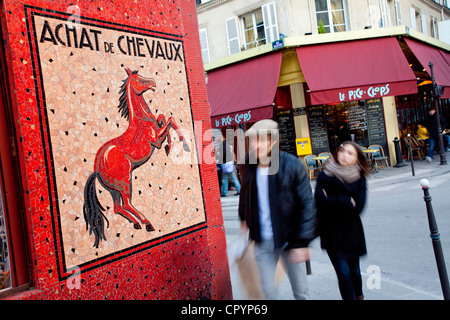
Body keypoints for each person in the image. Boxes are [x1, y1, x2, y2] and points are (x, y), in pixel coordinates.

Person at [238, 119, 316, 300]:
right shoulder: (249, 165)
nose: (256, 145)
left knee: (301, 292)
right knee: (267, 292)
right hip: (262, 241)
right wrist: (244, 217)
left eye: (262, 140)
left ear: (273, 141)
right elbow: (245, 193)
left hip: (290, 240)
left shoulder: (292, 165)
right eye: (253, 140)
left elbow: (307, 205)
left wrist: (302, 241)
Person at [314, 141, 371, 300]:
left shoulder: (359, 178)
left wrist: (331, 199)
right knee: (343, 274)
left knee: (355, 271)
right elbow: (319, 201)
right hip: (331, 233)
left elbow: (358, 207)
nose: (344, 155)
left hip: (352, 233)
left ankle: (359, 295)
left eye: (350, 153)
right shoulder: (324, 175)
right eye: (342, 151)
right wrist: (346, 201)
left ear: (357, 159)